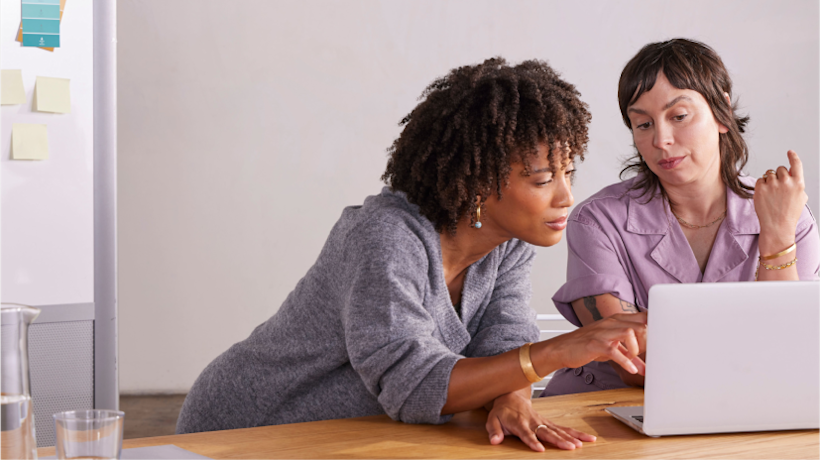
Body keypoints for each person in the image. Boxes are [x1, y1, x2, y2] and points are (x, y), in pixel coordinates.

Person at [176, 58, 648, 452]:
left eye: (568, 172)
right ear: (480, 181)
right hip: (249, 428)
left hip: (347, 437)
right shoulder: (384, 236)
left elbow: (504, 344)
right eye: (543, 180)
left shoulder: (508, 245)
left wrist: (513, 398)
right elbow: (415, 386)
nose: (566, 196)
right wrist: (559, 352)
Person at [542, 39, 819, 397]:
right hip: (602, 414)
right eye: (642, 124)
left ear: (721, 112)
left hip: (741, 412)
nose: (661, 140)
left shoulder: (789, 215)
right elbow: (632, 365)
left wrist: (778, 237)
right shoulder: (598, 221)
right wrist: (749, 349)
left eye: (679, 116)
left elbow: (790, 352)